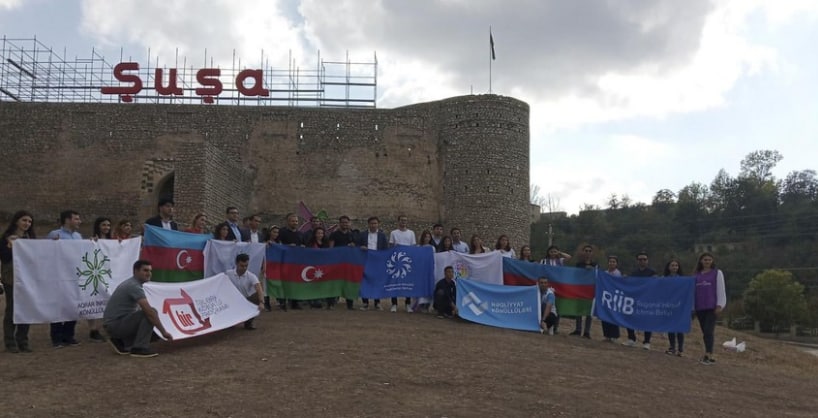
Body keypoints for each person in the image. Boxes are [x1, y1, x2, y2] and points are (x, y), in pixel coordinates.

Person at [103, 260, 173, 357]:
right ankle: (139, 348)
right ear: (136, 271)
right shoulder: (134, 286)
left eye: (150, 271)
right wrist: (163, 332)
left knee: (153, 333)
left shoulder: (132, 283)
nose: (149, 273)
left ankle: (121, 341)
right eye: (145, 270)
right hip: (115, 325)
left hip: (114, 323)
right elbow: (149, 312)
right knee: (151, 313)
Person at [47, 210, 83, 348]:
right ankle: (56, 337)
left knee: (73, 304)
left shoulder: (78, 236)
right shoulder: (54, 234)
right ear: (67, 220)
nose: (79, 221)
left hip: (75, 276)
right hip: (59, 276)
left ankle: (69, 335)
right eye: (76, 218)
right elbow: (45, 253)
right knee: (58, 305)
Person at [1, 211, 35, 353]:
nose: (27, 223)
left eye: (29, 221)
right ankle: (10, 341)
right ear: (17, 221)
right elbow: (5, 258)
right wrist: (10, 246)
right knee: (12, 309)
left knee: (26, 309)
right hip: (12, 278)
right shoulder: (5, 238)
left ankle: (23, 340)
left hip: (27, 278)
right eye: (24, 220)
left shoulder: (30, 238)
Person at [694, 252, 726, 365]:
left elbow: (721, 290)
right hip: (699, 307)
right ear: (701, 261)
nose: (707, 261)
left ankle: (709, 354)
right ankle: (708, 353)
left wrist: (720, 304)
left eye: (709, 260)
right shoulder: (696, 275)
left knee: (709, 331)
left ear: (712, 261)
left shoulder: (717, 273)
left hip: (711, 307)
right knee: (704, 331)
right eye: (705, 259)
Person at [622, 252, 657, 350]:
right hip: (635, 299)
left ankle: (646, 342)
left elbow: (656, 285)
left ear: (647, 260)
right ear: (637, 261)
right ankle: (631, 339)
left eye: (644, 259)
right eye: (640, 259)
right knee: (629, 317)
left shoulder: (652, 272)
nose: (642, 261)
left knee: (647, 320)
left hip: (647, 300)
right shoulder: (634, 273)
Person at [89, 216, 114, 342]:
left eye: (108, 225)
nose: (106, 228)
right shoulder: (93, 240)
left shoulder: (111, 241)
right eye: (104, 225)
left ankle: (103, 326)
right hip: (95, 272)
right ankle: (93, 329)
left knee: (107, 301)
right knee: (95, 300)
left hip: (108, 274)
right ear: (98, 226)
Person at [355, 216, 388, 310]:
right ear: (368, 224)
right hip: (365, 261)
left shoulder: (382, 235)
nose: (373, 225)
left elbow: (385, 249)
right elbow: (357, 246)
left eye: (375, 223)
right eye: (372, 223)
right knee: (365, 282)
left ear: (378, 224)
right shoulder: (362, 235)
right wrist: (361, 247)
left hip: (377, 262)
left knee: (377, 282)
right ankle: (365, 303)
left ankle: (377, 303)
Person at [225, 254, 264, 330]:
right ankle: (230, 321)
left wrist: (261, 302)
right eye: (242, 266)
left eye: (246, 265)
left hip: (246, 301)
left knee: (256, 297)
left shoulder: (251, 276)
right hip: (232, 301)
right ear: (236, 264)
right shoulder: (228, 274)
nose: (244, 268)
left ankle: (248, 322)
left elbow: (259, 288)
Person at [328, 216, 358, 310]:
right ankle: (331, 304)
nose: (345, 224)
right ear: (339, 223)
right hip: (337, 263)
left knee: (348, 284)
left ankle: (350, 304)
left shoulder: (352, 234)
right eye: (343, 222)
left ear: (349, 223)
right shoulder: (334, 234)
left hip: (348, 263)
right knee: (334, 283)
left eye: (346, 222)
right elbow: (331, 249)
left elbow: (355, 248)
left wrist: (353, 246)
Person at [388, 215, 415, 312]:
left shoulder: (411, 233)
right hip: (396, 260)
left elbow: (413, 247)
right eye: (402, 220)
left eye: (405, 220)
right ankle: (394, 304)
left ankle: (407, 304)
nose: (403, 222)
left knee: (407, 282)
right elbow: (390, 246)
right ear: (398, 221)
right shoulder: (393, 233)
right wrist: (396, 246)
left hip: (407, 261)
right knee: (394, 282)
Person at [572, 244, 597, 339]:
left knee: (589, 312)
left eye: (589, 251)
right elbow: (575, 275)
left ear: (592, 253)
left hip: (590, 290)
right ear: (583, 252)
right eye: (586, 251)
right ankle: (578, 329)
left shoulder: (595, 265)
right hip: (580, 289)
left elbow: (599, 275)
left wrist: (593, 270)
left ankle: (587, 332)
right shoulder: (579, 264)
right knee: (578, 310)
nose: (587, 252)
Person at [663, 259, 686, 357]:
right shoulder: (664, 279)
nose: (674, 267)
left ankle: (680, 349)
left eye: (676, 265)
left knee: (679, 328)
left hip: (679, 306)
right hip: (668, 306)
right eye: (672, 265)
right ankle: (672, 347)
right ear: (668, 267)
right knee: (670, 328)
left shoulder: (682, 280)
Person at [601, 256, 622, 342]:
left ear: (616, 264)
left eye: (613, 262)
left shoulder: (617, 273)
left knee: (613, 317)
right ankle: (607, 335)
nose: (611, 263)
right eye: (610, 261)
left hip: (614, 298)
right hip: (606, 297)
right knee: (605, 317)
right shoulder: (605, 272)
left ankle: (614, 336)